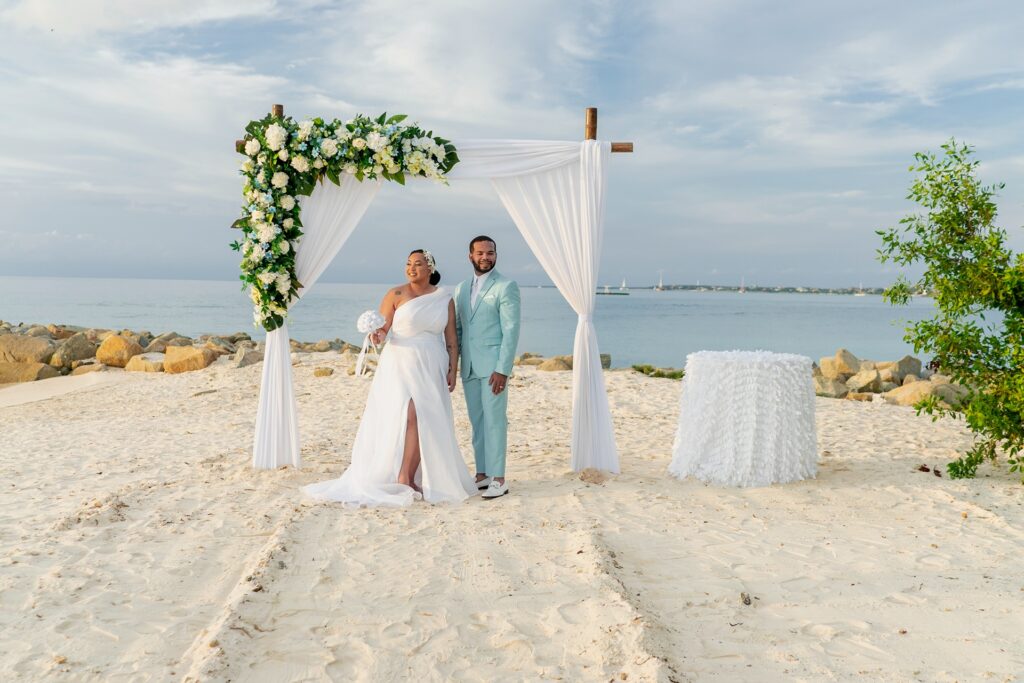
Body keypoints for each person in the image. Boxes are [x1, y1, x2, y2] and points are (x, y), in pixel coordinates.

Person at [303, 250, 477, 506]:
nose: (411, 268)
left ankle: (411, 475)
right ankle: (403, 475)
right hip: (400, 361)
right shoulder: (395, 294)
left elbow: (451, 339)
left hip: (432, 362)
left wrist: (453, 368)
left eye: (418, 264)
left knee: (426, 417)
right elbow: (383, 330)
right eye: (408, 264)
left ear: (430, 268)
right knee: (409, 414)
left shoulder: (444, 299)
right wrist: (376, 335)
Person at [454, 236, 521, 499]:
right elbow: (459, 329)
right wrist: (454, 365)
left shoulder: (506, 286)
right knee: (477, 421)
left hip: (494, 368)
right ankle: (482, 475)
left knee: (495, 422)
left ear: (496, 254)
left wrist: (503, 369)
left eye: (490, 253)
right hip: (469, 366)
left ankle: (499, 478)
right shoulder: (461, 288)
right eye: (480, 253)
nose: (486, 257)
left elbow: (511, 330)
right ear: (470, 255)